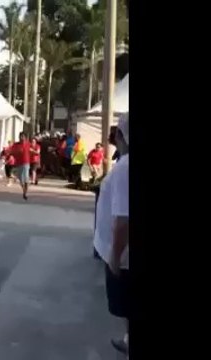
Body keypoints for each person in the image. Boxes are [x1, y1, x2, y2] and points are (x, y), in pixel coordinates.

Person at [93, 113, 129, 358]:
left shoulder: (125, 168)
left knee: (127, 304)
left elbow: (124, 219)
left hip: (126, 258)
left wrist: (115, 256)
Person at [11, 132, 31, 200]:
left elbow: (31, 150)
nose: (21, 138)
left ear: (25, 137)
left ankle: (25, 193)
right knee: (20, 178)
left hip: (26, 162)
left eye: (22, 136)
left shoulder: (28, 144)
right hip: (18, 163)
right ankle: (24, 190)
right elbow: (12, 151)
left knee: (26, 177)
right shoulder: (16, 144)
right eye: (20, 136)